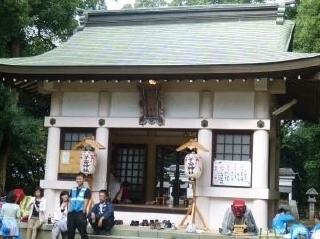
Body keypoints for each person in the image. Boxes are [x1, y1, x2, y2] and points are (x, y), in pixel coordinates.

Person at [67, 172, 91, 239]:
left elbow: (86, 202)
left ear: (83, 180)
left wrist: (83, 212)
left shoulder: (87, 190)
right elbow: (69, 201)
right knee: (70, 232)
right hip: (71, 213)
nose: (78, 180)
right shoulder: (72, 190)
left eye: (80, 179)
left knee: (83, 232)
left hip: (80, 213)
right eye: (77, 179)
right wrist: (69, 211)